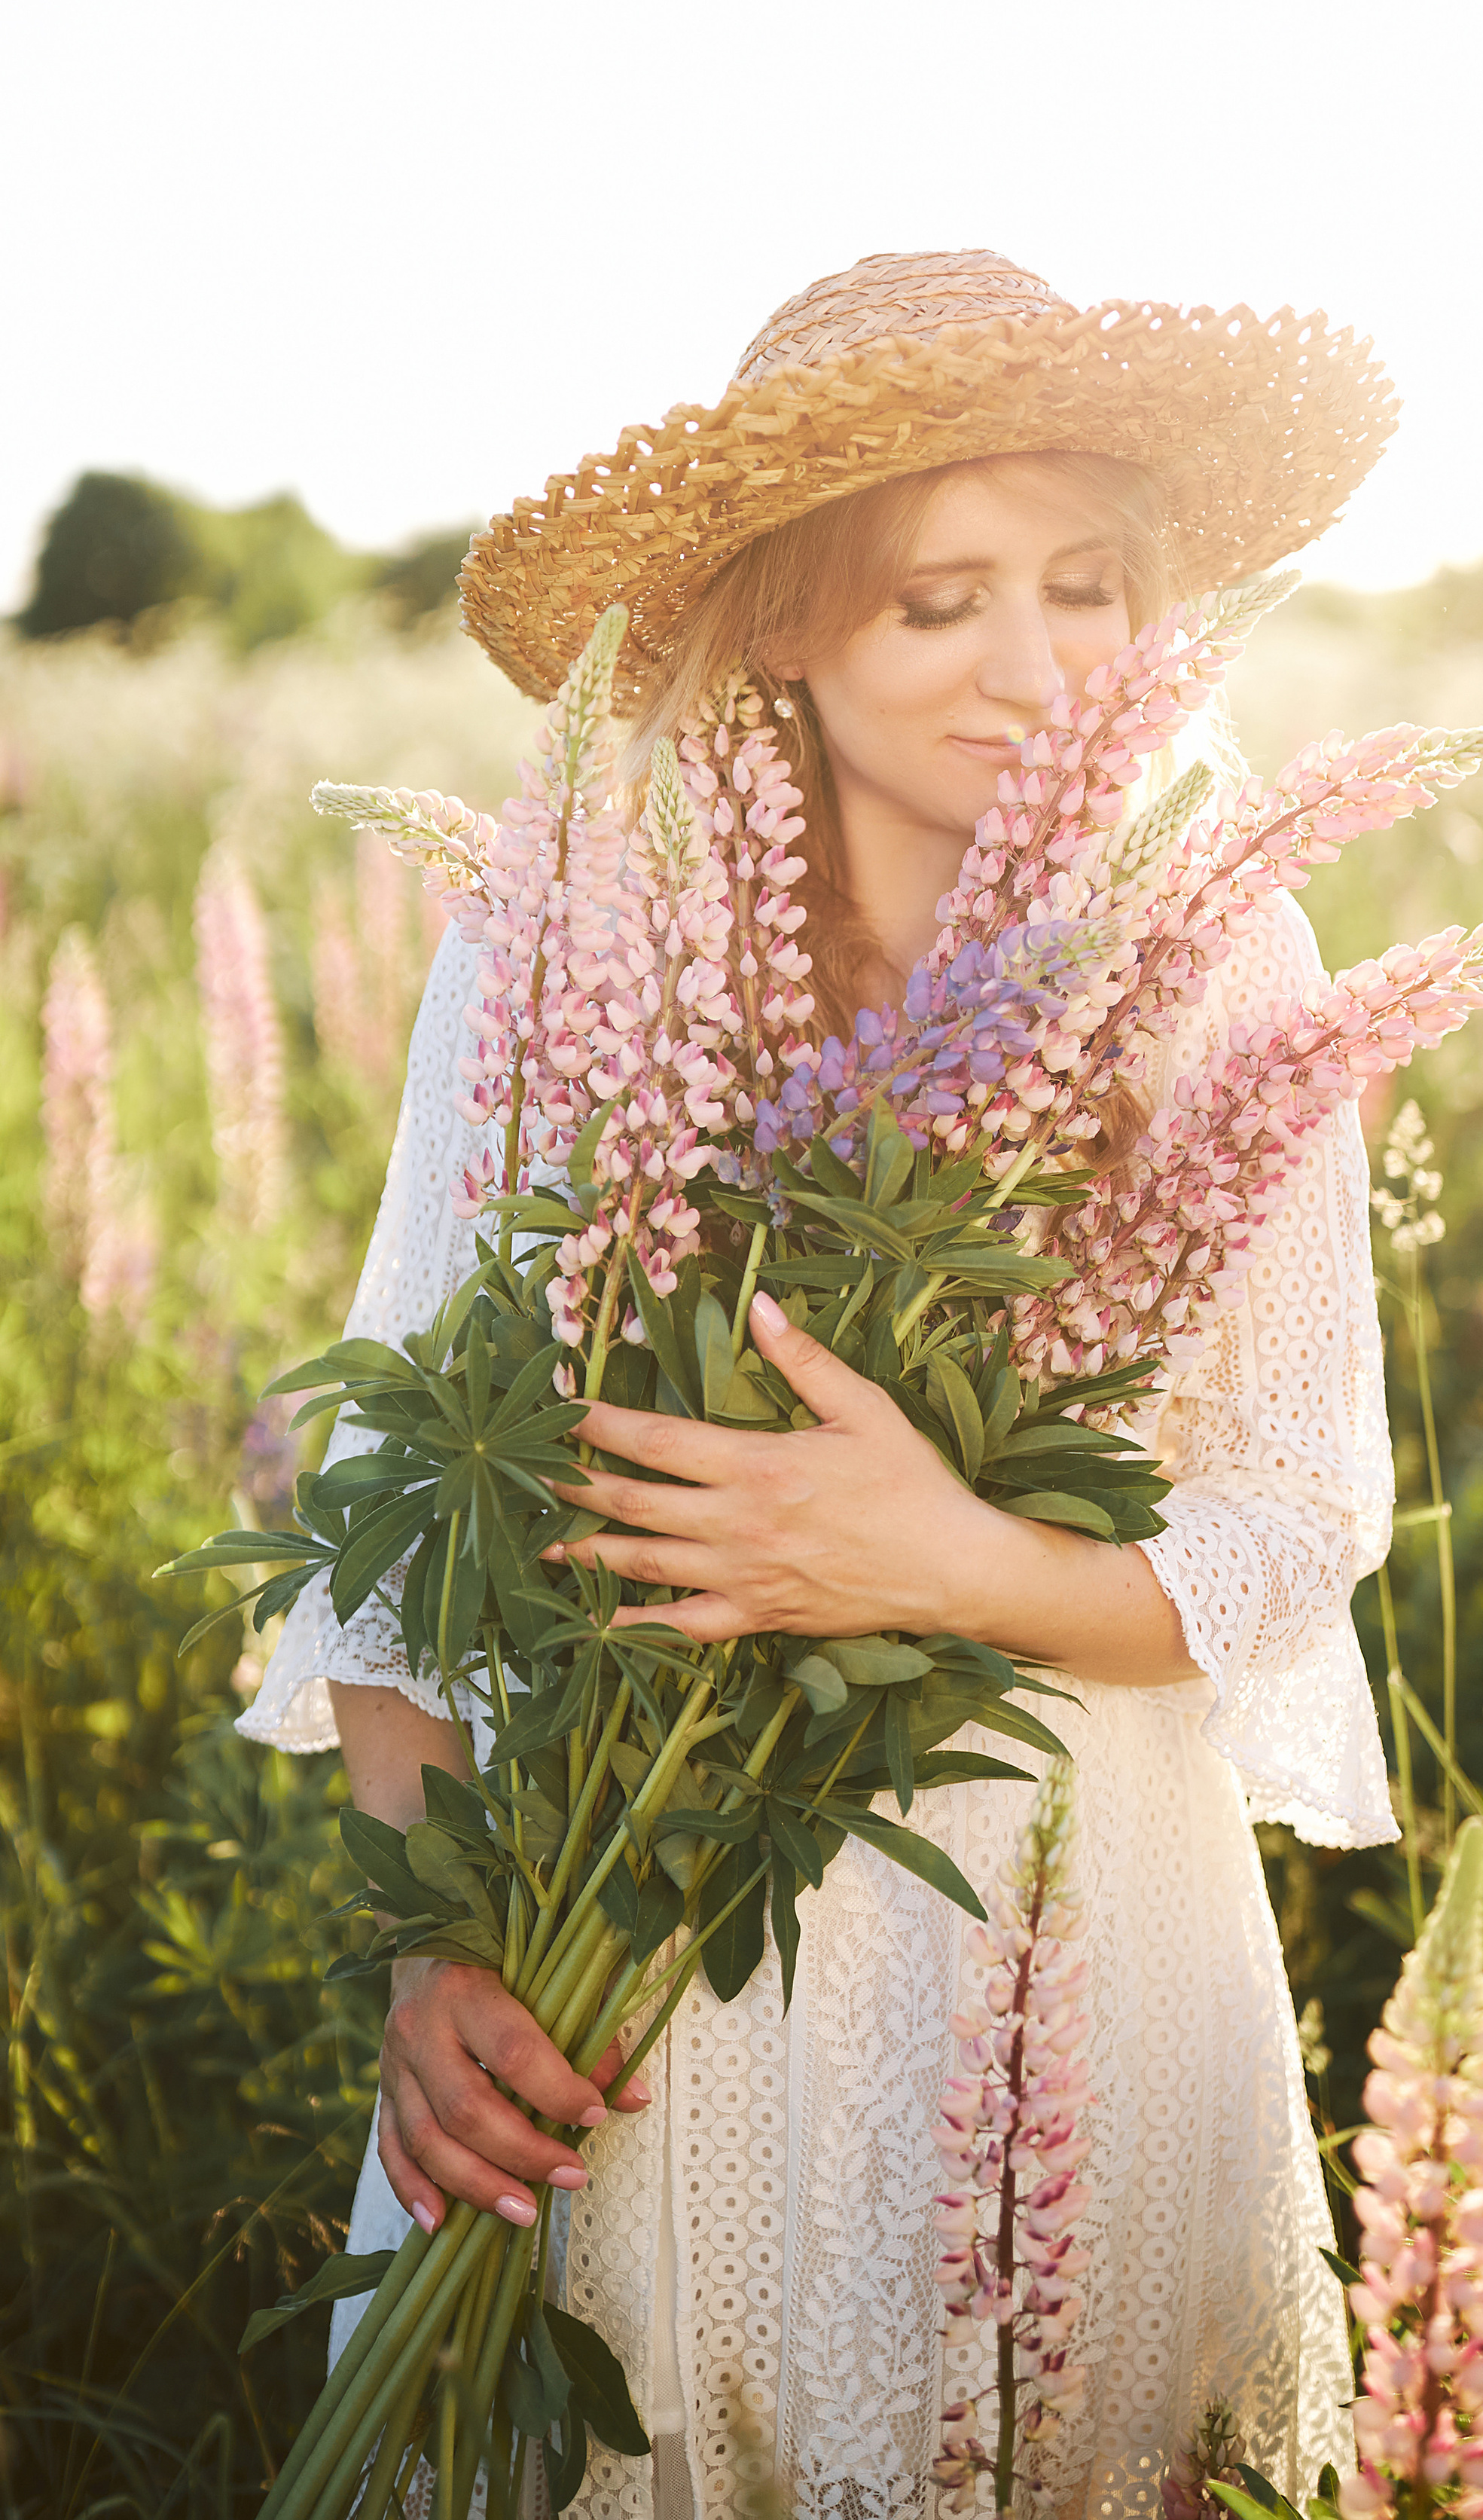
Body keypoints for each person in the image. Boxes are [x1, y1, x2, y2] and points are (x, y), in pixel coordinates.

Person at [241, 250, 1403, 2520]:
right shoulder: (563, 932)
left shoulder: (1221, 946)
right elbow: (399, 1506)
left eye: (1084, 586)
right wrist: (436, 1942)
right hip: (638, 1947)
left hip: (1062, 1909)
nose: (1037, 667)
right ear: (783, 624)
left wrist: (940, 1556)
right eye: (933, 601)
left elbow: (1290, 1524)